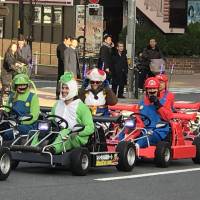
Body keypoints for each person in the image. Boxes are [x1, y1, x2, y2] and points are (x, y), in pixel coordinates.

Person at [31, 72, 94, 154]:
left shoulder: (81, 107)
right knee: (41, 129)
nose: (64, 91)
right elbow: (51, 118)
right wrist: (46, 120)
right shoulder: (57, 104)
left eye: (67, 88)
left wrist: (77, 132)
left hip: (75, 136)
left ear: (72, 89)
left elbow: (90, 128)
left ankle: (53, 149)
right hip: (58, 131)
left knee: (65, 132)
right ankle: (32, 147)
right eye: (63, 88)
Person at [136, 77, 173, 148]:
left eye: (154, 89)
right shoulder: (142, 103)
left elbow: (168, 117)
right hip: (143, 129)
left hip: (158, 130)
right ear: (146, 90)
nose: (152, 91)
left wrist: (158, 105)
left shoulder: (164, 101)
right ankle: (118, 147)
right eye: (149, 89)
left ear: (158, 89)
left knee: (147, 136)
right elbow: (137, 115)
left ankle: (134, 148)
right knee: (125, 132)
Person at [2, 73, 40, 140]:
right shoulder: (12, 97)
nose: (22, 87)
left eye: (23, 85)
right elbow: (6, 111)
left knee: (8, 133)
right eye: (19, 85)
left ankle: (7, 147)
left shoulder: (33, 97)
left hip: (27, 125)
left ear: (27, 85)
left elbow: (34, 116)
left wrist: (20, 122)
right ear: (15, 86)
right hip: (12, 123)